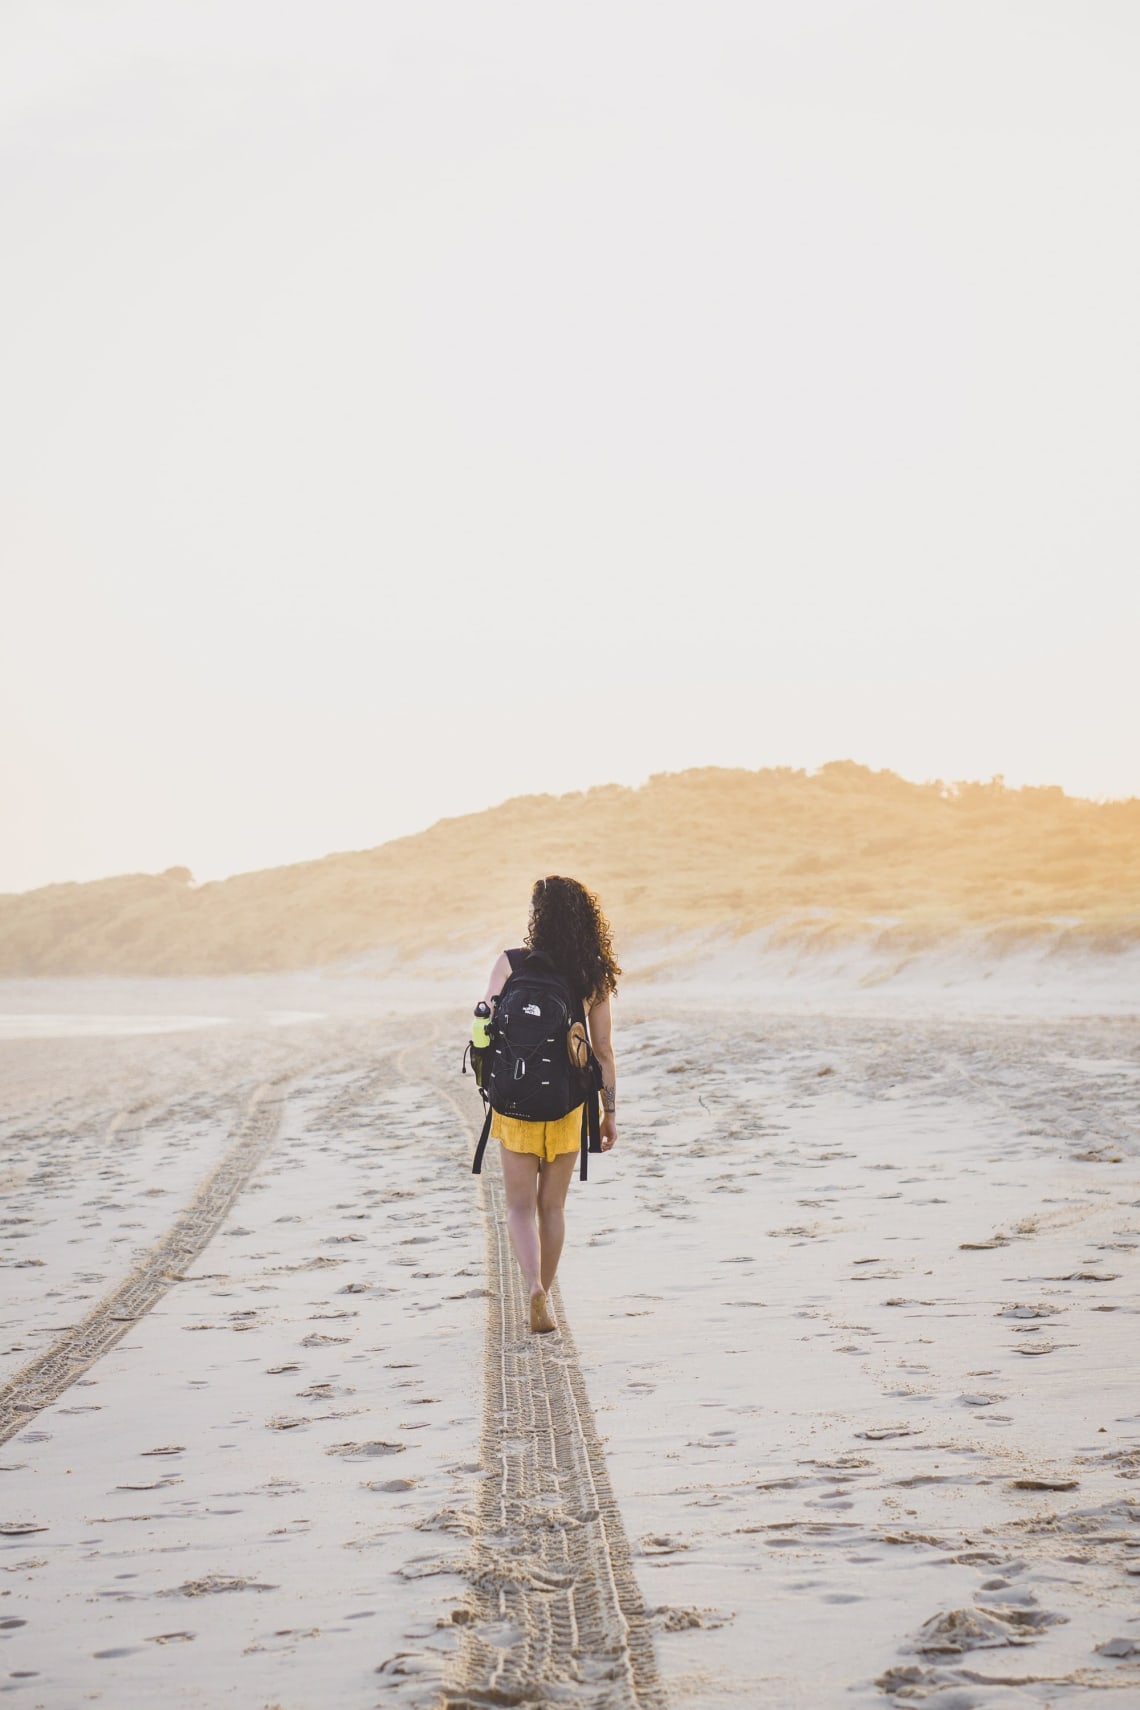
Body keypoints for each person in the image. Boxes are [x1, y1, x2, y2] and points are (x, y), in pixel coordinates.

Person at [480, 875, 619, 1334]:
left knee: (519, 1207)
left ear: (537, 917)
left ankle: (531, 1287)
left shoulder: (510, 963)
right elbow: (602, 1050)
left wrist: (493, 1087)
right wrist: (609, 1112)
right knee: (552, 1207)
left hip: (515, 1103)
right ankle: (546, 1292)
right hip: (566, 1105)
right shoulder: (589, 976)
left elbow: (483, 1033)